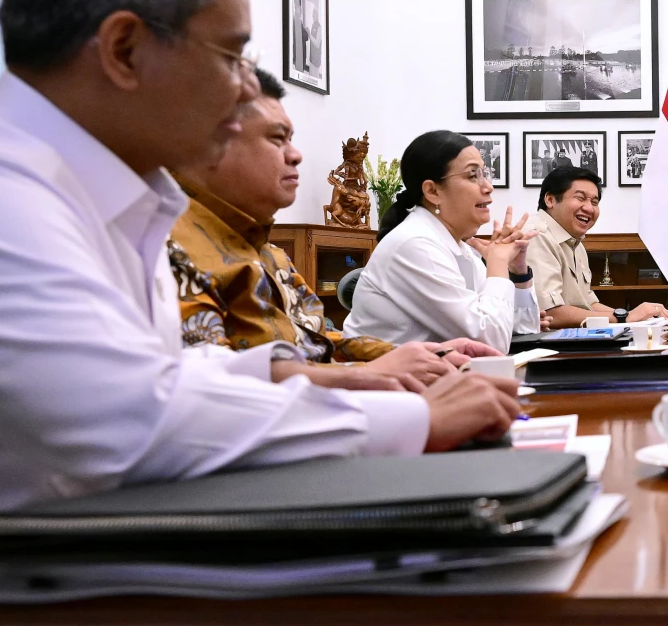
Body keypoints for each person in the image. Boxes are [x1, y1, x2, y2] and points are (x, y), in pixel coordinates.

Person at [0, 0, 520, 626]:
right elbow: (125, 418)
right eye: (228, 55)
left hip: (111, 604)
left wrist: (326, 379)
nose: (242, 88)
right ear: (124, 49)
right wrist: (406, 417)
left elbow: (164, 372)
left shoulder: (101, 194)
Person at [169, 68, 504, 388]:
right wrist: (370, 374)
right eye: (277, 139)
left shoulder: (269, 252)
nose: (296, 155)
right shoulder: (173, 249)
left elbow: (319, 341)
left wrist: (421, 356)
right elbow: (214, 388)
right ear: (211, 143)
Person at [344, 130, 543, 353]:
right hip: (378, 373)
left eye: (485, 174)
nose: (488, 187)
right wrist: (497, 264)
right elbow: (491, 343)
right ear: (433, 191)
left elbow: (523, 332)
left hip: (438, 371)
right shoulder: (414, 245)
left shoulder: (461, 248)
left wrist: (517, 273)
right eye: (473, 176)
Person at [526, 163, 667, 328]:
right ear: (550, 200)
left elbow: (589, 304)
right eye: (580, 198)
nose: (589, 208)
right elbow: (549, 313)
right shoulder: (535, 236)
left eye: (594, 202)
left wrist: (631, 318)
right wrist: (626, 318)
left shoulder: (575, 243)